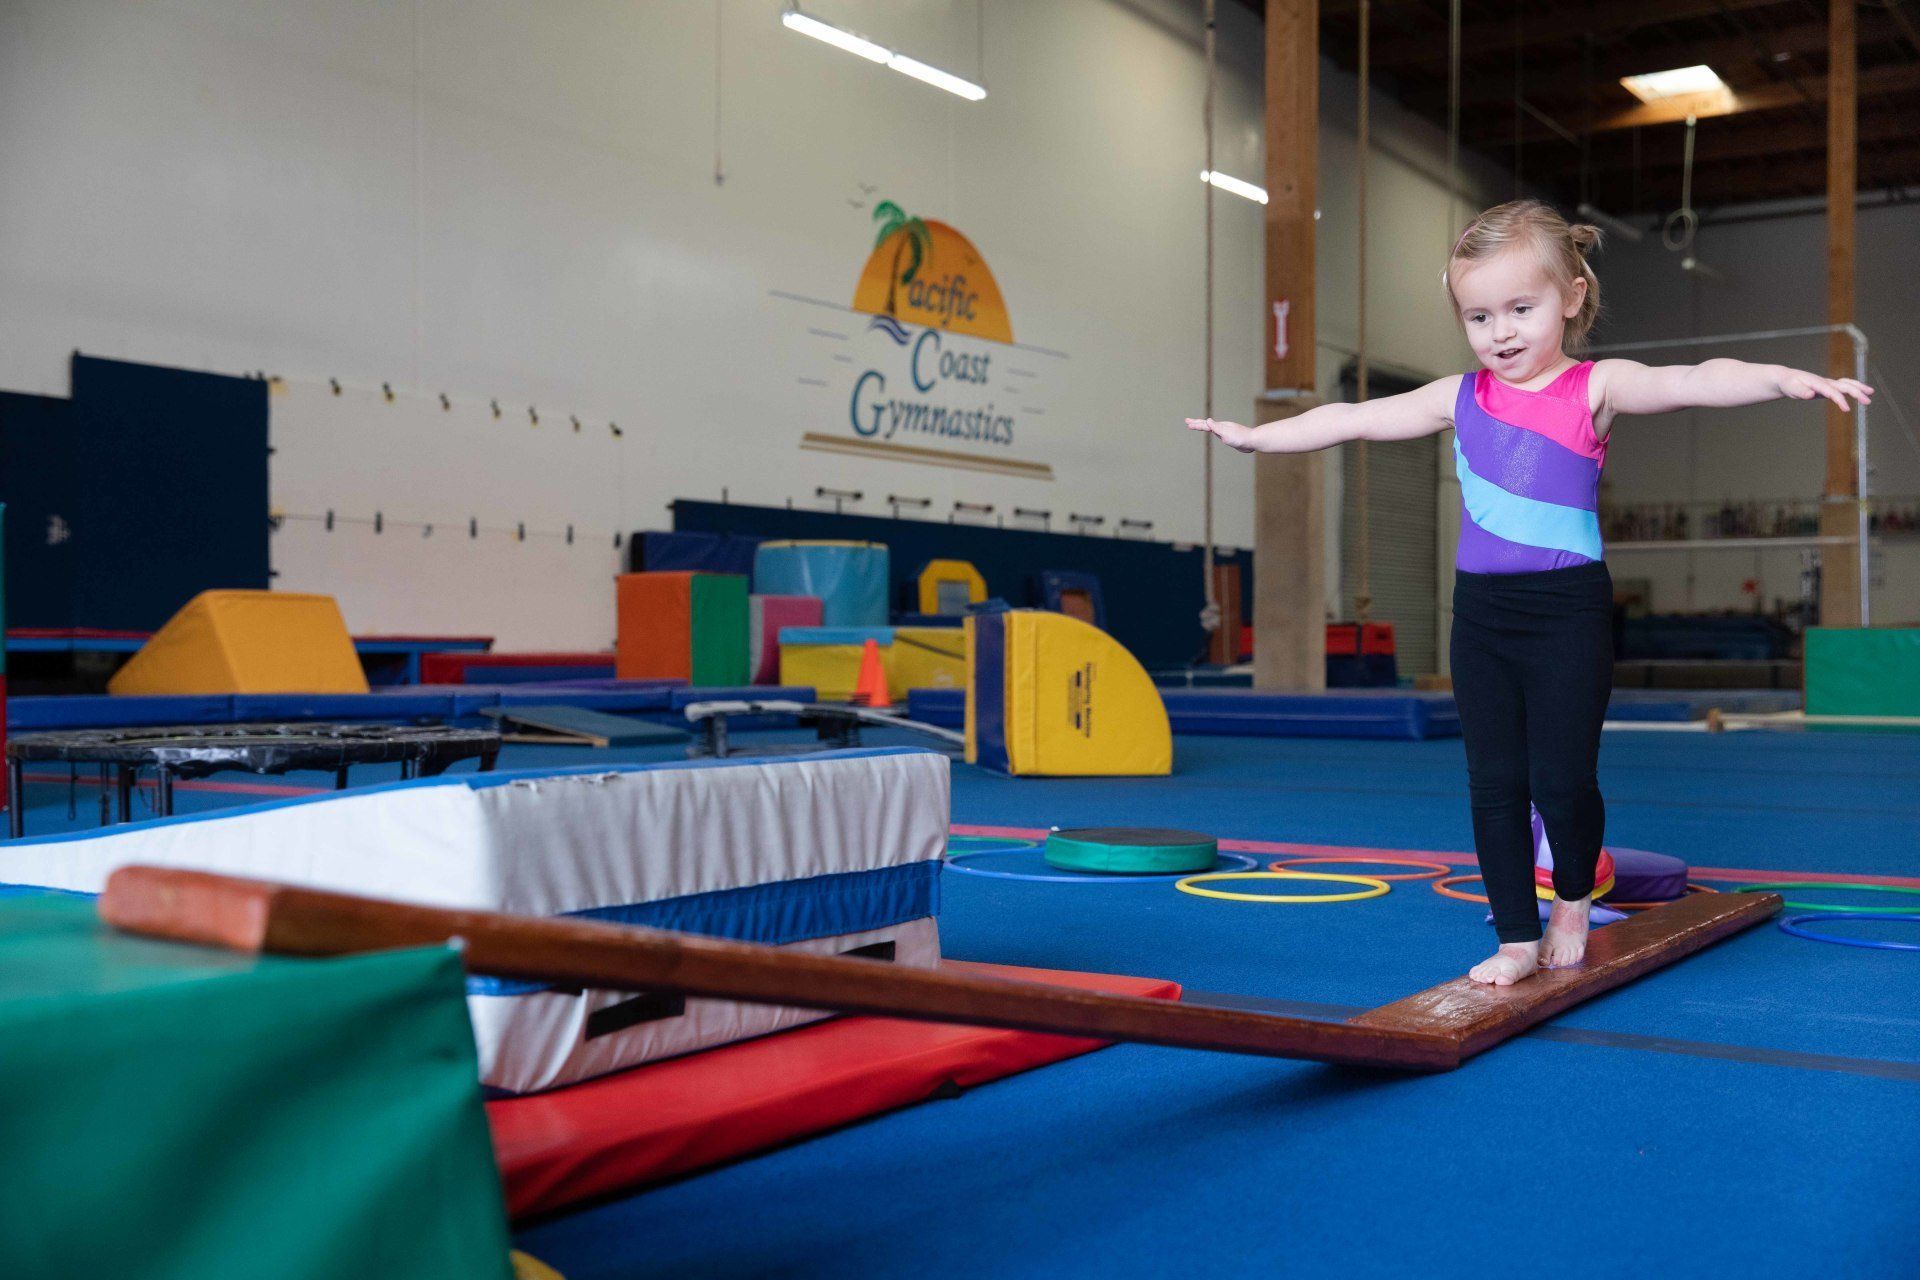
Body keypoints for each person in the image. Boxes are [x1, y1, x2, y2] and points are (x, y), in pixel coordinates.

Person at [1186, 199, 1872, 986]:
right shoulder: (1459, 396)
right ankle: (1516, 935)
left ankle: (1572, 901)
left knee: (1560, 779)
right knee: (1494, 781)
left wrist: (1783, 379)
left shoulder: (1594, 387)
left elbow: (1691, 380)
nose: (1501, 331)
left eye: (1521, 308)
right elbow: (1356, 417)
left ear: (1571, 297)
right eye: (1479, 315)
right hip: (1480, 615)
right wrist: (1258, 436)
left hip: (1567, 611)